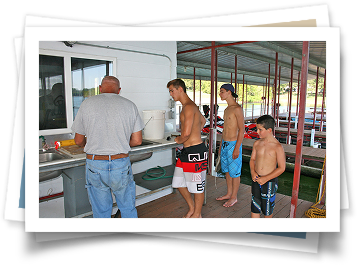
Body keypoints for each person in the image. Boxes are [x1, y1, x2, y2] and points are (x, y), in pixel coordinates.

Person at [71, 76, 144, 218]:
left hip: (95, 163)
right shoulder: (130, 105)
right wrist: (120, 142)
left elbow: (78, 140)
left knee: (101, 211)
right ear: (119, 90)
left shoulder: (87, 104)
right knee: (127, 208)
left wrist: (91, 144)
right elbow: (137, 140)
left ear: (100, 88)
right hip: (120, 163)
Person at [167, 79, 208, 218]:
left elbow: (185, 133)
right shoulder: (190, 106)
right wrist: (195, 132)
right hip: (187, 151)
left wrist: (178, 139)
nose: (171, 94)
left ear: (180, 89)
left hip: (196, 151)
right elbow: (202, 121)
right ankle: (192, 208)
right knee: (178, 182)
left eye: (172, 91)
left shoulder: (189, 107)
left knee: (197, 187)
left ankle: (197, 215)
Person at [249, 115, 286, 218]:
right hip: (256, 179)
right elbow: (252, 160)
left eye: (260, 129)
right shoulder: (257, 143)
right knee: (255, 207)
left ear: (269, 130)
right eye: (257, 129)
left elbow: (282, 167)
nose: (257, 132)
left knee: (267, 210)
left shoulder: (277, 147)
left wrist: (266, 178)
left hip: (269, 181)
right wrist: (253, 172)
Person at [216, 84, 244, 207]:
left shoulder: (237, 108)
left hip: (233, 144)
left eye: (222, 91)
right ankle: (228, 193)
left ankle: (234, 197)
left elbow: (242, 130)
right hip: (225, 144)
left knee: (235, 172)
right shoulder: (227, 109)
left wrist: (237, 148)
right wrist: (221, 145)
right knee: (227, 170)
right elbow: (225, 129)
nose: (220, 94)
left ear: (229, 92)